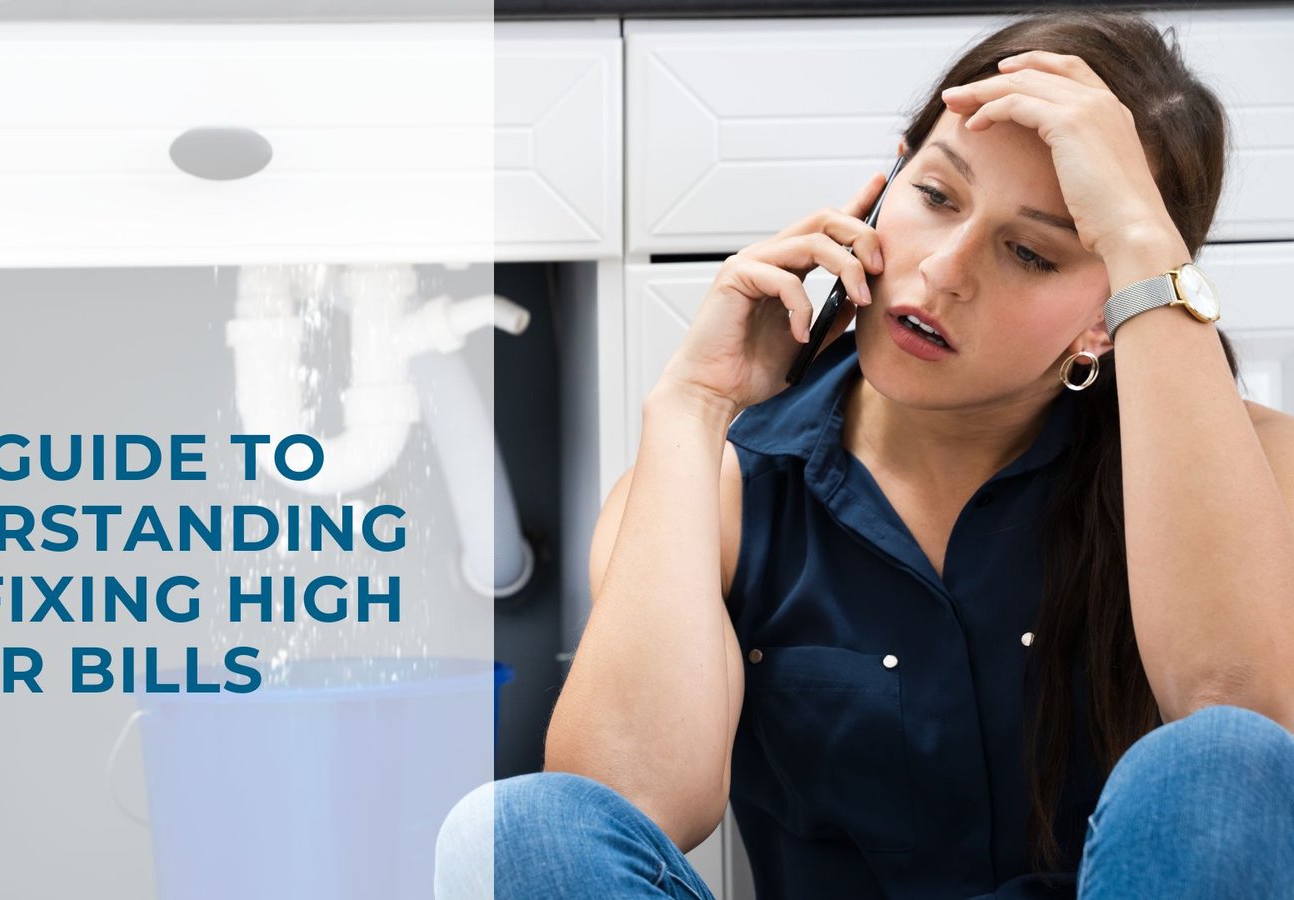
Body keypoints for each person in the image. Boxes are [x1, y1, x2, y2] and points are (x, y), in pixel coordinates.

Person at [434, 9, 1294, 899]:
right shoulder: (722, 487)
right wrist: (693, 407)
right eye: (936, 196)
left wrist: (1142, 249)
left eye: (1031, 254)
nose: (944, 269)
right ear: (887, 180)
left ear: (1105, 316)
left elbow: (1241, 736)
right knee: (513, 834)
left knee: (1227, 755)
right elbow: (618, 809)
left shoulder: (1259, 468)